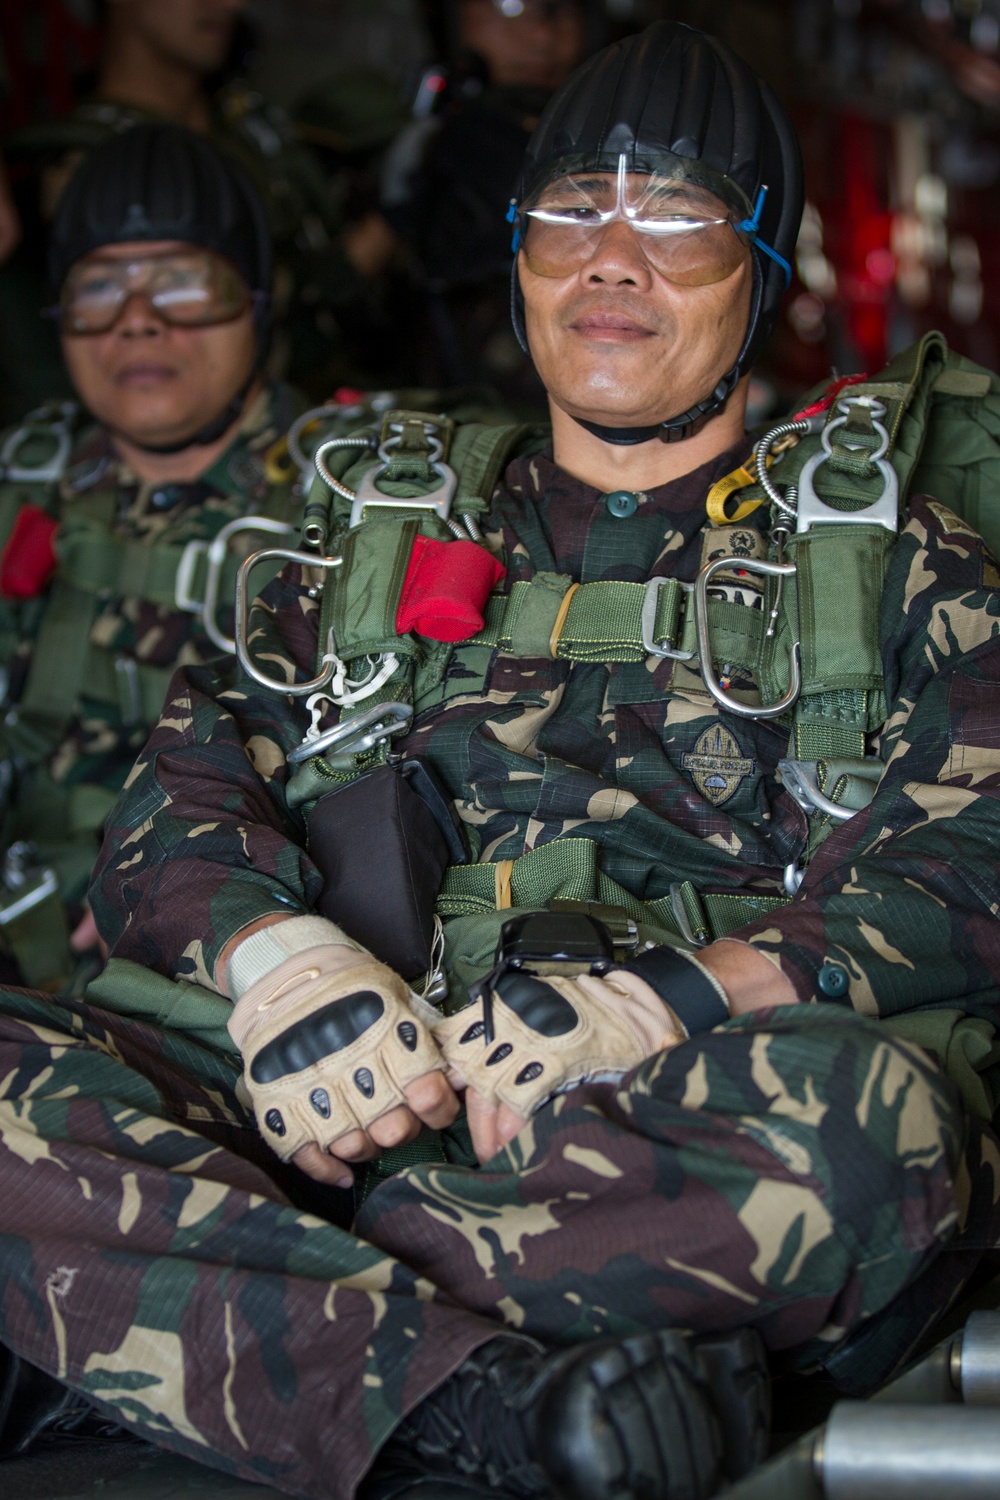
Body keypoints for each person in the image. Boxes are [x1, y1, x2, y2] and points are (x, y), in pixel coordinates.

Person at [0, 20, 996, 1500]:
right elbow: (179, 796)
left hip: (654, 1132)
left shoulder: (891, 559)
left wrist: (668, 1000)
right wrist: (284, 977)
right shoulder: (374, 536)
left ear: (765, 270)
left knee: (873, 1133)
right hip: (333, 1110)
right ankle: (501, 1399)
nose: (613, 258)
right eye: (573, 213)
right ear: (519, 259)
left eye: (676, 217)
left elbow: (966, 870)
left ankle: (187, 1325)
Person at [0, 121, 304, 989]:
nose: (136, 323)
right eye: (100, 292)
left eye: (179, 285)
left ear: (253, 297)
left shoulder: (356, 493)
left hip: (249, 960)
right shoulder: (22, 481)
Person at [380, 0, 591, 407]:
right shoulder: (408, 145)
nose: (542, 37)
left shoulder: (616, 144)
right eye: (509, 8)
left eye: (563, 12)